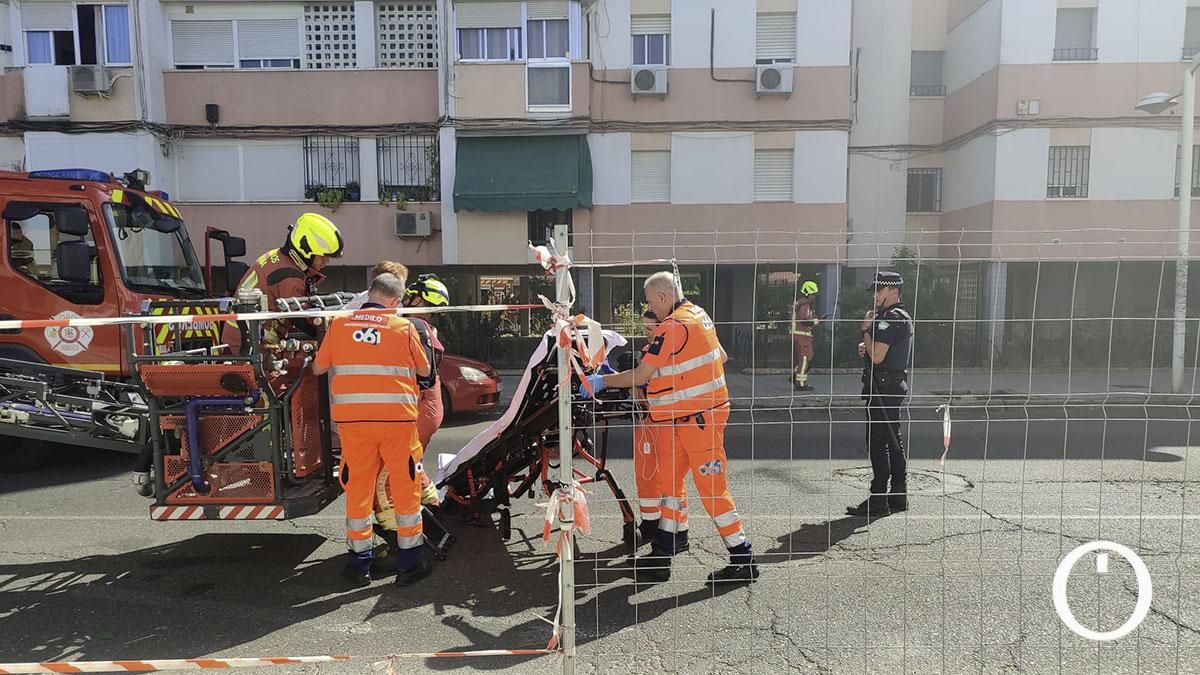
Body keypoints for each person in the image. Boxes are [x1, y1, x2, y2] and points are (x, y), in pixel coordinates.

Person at [583, 272, 758, 584]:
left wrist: (599, 381)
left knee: (712, 492)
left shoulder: (673, 326)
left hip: (698, 421)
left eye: (652, 303)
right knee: (670, 483)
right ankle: (666, 547)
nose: (652, 309)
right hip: (689, 419)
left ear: (663, 297)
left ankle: (743, 558)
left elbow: (641, 375)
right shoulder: (699, 316)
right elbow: (721, 356)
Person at [312, 273, 432, 588]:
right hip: (397, 423)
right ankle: (409, 565)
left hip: (355, 424)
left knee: (359, 492)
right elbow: (425, 370)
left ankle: (359, 566)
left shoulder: (339, 324)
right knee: (405, 491)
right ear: (395, 302)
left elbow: (318, 368)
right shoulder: (403, 327)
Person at [373, 274, 450, 548]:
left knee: (385, 472)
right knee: (411, 463)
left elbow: (422, 375)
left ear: (416, 299)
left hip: (418, 406)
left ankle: (396, 534)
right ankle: (432, 502)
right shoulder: (421, 327)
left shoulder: (413, 325)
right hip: (427, 406)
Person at [222, 213, 344, 354]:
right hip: (249, 349)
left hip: (244, 343)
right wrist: (336, 334)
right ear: (305, 249)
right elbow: (305, 321)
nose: (326, 262)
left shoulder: (278, 258)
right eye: (323, 256)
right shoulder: (288, 276)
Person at [847, 270, 913, 520]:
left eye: (879, 290)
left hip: (883, 390)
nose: (874, 295)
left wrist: (865, 330)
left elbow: (876, 356)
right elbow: (880, 351)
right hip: (891, 386)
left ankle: (878, 499)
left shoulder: (889, 319)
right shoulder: (897, 316)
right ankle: (898, 494)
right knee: (893, 440)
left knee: (878, 443)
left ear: (892, 291)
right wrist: (870, 342)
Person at [632, 309, 665, 545]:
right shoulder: (647, 352)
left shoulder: (668, 353)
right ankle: (651, 520)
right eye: (643, 328)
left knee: (666, 477)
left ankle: (668, 526)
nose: (646, 333)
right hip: (648, 421)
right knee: (646, 473)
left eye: (649, 328)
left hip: (665, 422)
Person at [790, 280, 820, 391]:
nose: (814, 297)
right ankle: (801, 384)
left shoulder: (799, 303)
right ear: (807, 293)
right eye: (813, 294)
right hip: (802, 338)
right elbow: (804, 321)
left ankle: (795, 377)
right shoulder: (805, 305)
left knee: (806, 359)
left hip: (799, 337)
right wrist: (815, 322)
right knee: (804, 360)